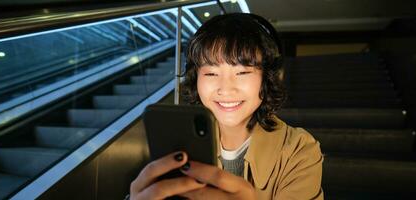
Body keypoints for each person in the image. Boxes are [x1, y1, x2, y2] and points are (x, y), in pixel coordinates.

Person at [130, 13, 323, 200]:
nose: (226, 89)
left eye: (242, 72)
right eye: (211, 74)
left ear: (268, 78)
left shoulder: (298, 150)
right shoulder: (175, 141)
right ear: (195, 79)